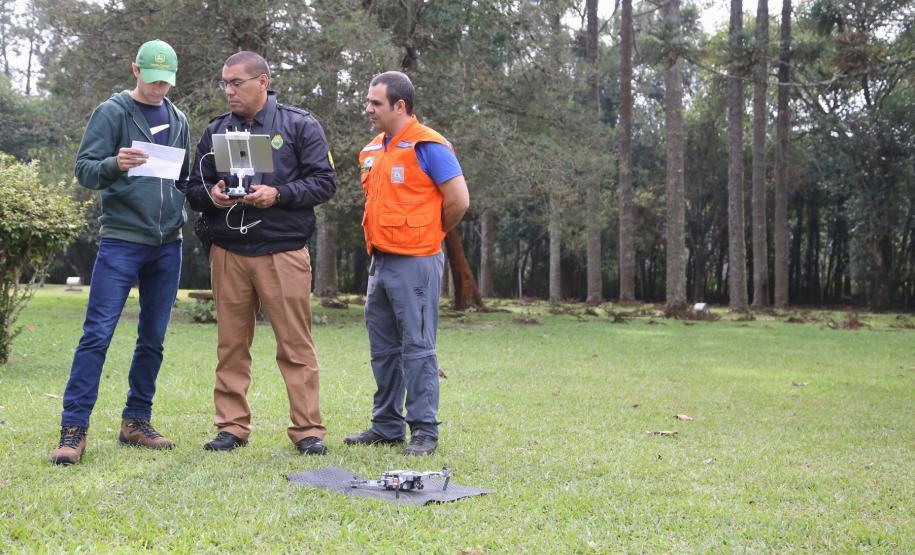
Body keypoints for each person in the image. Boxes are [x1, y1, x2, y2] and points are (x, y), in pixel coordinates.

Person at [186, 51, 336, 455]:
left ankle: (308, 430)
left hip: (282, 252)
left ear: (263, 82)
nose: (229, 90)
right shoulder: (217, 130)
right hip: (229, 253)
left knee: (295, 345)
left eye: (237, 82)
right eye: (225, 83)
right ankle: (232, 427)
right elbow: (194, 188)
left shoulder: (299, 125)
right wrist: (213, 196)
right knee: (231, 345)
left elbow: (324, 183)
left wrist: (280, 193)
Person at [51, 39, 191, 465]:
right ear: (135, 70)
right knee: (97, 334)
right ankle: (73, 429)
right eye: (152, 81)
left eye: (166, 82)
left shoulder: (180, 118)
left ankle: (136, 421)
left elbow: (181, 179)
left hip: (168, 244)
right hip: (122, 240)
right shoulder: (112, 112)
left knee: (153, 338)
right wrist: (116, 163)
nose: (158, 90)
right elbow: (85, 171)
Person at [344, 71, 469, 456]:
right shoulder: (371, 151)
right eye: (368, 102)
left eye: (375, 103)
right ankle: (386, 425)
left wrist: (430, 234)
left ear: (400, 106)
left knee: (417, 346)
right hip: (379, 261)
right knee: (383, 347)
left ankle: (425, 430)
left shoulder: (428, 146)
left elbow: (459, 201)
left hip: (417, 260)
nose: (368, 109)